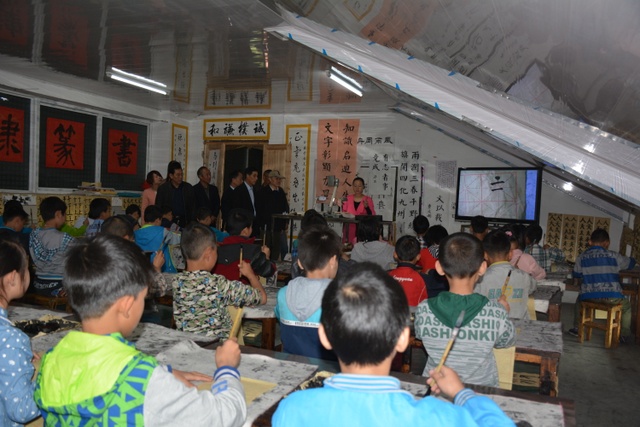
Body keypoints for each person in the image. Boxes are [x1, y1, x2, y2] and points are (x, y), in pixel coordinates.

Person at [34, 234, 247, 426]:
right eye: (142, 298)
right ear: (127, 305)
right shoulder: (144, 381)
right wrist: (227, 368)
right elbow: (222, 417)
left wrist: (164, 372)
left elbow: (95, 369)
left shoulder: (51, 360)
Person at [272, 262, 515, 427]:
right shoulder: (433, 417)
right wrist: (462, 394)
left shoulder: (292, 409)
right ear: (403, 339)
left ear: (324, 336)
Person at [415, 233, 516, 387]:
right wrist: (503, 312)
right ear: (482, 267)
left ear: (439, 267)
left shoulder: (424, 309)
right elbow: (507, 341)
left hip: (436, 391)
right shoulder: (496, 312)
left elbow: (420, 335)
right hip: (479, 394)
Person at [172, 223, 267, 339]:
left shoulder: (177, 282)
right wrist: (250, 274)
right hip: (217, 347)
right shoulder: (218, 284)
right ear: (208, 254)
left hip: (188, 345)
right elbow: (262, 297)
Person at [274, 225, 341, 360]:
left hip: (290, 367)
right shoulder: (340, 296)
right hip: (328, 370)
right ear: (333, 261)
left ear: (299, 263)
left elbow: (279, 316)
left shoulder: (283, 294)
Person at [569, 228, 636, 342]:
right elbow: (630, 264)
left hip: (589, 296)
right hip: (611, 297)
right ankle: (624, 335)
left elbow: (576, 273)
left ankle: (577, 328)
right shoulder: (614, 256)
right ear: (607, 243)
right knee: (627, 306)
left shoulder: (582, 257)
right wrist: (633, 259)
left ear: (590, 242)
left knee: (579, 300)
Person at [0, 240, 40, 426]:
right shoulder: (11, 339)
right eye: (27, 269)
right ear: (13, 277)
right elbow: (21, 409)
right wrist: (51, 375)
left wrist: (15, 356)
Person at [475, 230, 537, 320]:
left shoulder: (480, 279)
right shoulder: (524, 276)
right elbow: (533, 286)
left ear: (485, 255)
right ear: (510, 254)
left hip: (492, 326)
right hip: (520, 327)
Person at [213, 209, 275, 284]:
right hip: (246, 290)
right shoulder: (254, 250)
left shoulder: (216, 249)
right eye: (251, 227)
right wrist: (266, 257)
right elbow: (268, 271)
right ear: (245, 231)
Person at [28, 196, 74, 296]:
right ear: (58, 214)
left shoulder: (33, 234)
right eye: (64, 215)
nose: (65, 218)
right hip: (59, 285)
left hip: (38, 284)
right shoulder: (65, 238)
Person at [134, 205, 181, 273]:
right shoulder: (162, 231)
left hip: (142, 271)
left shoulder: (135, 234)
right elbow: (179, 239)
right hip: (163, 271)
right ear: (158, 220)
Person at [257, 170, 289, 261]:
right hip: (266, 226)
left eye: (279, 179)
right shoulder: (263, 191)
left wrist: (286, 221)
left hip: (278, 226)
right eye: (276, 178)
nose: (279, 181)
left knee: (276, 249)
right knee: (266, 248)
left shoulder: (281, 191)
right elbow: (259, 209)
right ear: (270, 179)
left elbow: (285, 207)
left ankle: (273, 266)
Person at [388, 235, 429, 306]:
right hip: (413, 313)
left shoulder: (386, 276)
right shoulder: (422, 280)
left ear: (395, 254)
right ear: (418, 257)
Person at [155, 161, 196, 228]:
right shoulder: (163, 189)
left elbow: (193, 208)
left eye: (181, 174)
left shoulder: (188, 188)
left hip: (185, 222)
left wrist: (192, 223)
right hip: (168, 222)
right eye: (178, 175)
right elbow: (158, 207)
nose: (180, 177)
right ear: (171, 176)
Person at [341, 177, 376, 244]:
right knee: (348, 246)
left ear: (363, 187)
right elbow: (343, 212)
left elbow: (372, 215)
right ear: (352, 186)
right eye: (355, 186)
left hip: (363, 228)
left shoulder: (368, 199)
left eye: (359, 186)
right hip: (349, 227)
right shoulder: (348, 198)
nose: (357, 188)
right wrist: (340, 205)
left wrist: (367, 207)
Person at [231, 166, 260, 236]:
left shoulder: (256, 190)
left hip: (254, 223)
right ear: (247, 176)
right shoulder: (239, 190)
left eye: (257, 176)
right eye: (254, 176)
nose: (256, 178)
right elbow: (237, 208)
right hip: (244, 224)